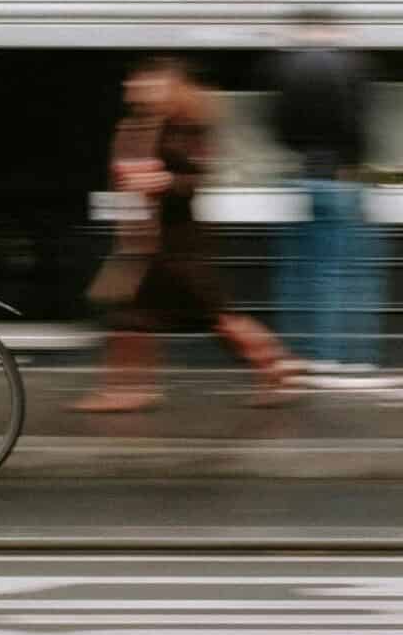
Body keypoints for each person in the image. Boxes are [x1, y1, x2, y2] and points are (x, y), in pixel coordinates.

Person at [76, 57, 300, 413]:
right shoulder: (140, 125)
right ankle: (128, 389)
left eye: (145, 83)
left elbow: (195, 180)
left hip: (179, 246)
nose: (132, 88)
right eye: (133, 83)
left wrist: (162, 181)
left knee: (218, 318)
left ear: (168, 87)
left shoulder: (185, 125)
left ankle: (280, 369)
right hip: (145, 243)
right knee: (129, 318)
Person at [268, 7, 383, 380]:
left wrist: (302, 155)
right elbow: (360, 123)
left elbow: (276, 127)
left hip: (302, 177)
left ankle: (303, 351)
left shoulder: (284, 68)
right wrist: (354, 162)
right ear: (335, 29)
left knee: (300, 271)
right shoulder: (353, 66)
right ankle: (349, 354)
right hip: (342, 177)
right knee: (348, 271)